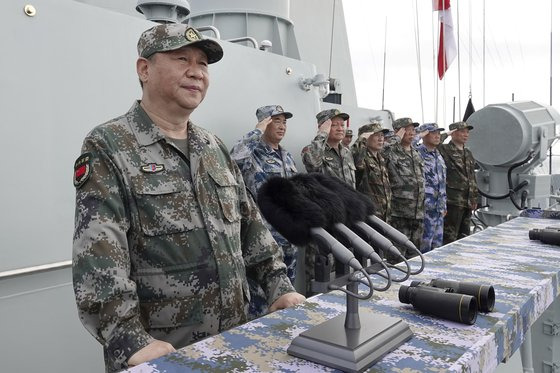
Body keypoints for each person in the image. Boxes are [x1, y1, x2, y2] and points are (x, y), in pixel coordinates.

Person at [72, 24, 304, 372]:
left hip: (234, 341)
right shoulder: (109, 144)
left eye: (203, 64)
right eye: (182, 59)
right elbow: (99, 253)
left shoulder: (213, 147)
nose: (196, 71)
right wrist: (129, 340)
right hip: (164, 352)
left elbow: (251, 227)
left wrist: (279, 287)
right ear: (144, 69)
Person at [230, 105, 299, 318]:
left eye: (284, 122)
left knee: (288, 298)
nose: (282, 126)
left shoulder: (286, 156)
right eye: (276, 121)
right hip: (263, 241)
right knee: (260, 302)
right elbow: (234, 159)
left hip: (289, 238)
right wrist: (257, 130)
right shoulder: (253, 153)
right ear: (265, 123)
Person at [383, 117, 425, 257]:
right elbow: (382, 153)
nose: (411, 133)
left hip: (418, 211)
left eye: (413, 130)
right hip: (399, 212)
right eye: (407, 130)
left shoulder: (416, 153)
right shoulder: (391, 152)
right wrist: (395, 138)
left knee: (414, 253)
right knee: (397, 255)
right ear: (398, 132)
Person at [438, 121, 478, 244]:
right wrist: (446, 134)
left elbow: (472, 177)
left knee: (465, 237)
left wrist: (474, 198)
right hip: (453, 201)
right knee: (449, 238)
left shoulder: (468, 153)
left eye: (467, 132)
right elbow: (435, 143)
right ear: (454, 133)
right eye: (462, 132)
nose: (465, 135)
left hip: (467, 201)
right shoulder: (445, 150)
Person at [301, 108, 356, 187]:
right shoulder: (310, 150)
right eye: (334, 125)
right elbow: (313, 164)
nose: (340, 129)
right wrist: (322, 133)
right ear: (323, 127)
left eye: (342, 125)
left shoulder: (347, 152)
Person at [415, 123, 447, 253]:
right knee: (424, 244)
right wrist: (419, 135)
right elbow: (402, 146)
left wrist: (444, 205)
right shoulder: (417, 152)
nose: (437, 136)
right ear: (425, 135)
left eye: (438, 133)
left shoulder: (438, 155)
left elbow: (442, 182)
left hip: (438, 208)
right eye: (433, 133)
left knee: (437, 245)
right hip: (425, 207)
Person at [351, 121, 392, 223]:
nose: (381, 139)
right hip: (369, 216)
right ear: (366, 138)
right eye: (376, 135)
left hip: (385, 214)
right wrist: (362, 139)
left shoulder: (381, 158)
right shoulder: (362, 157)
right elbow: (355, 155)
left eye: (382, 135)